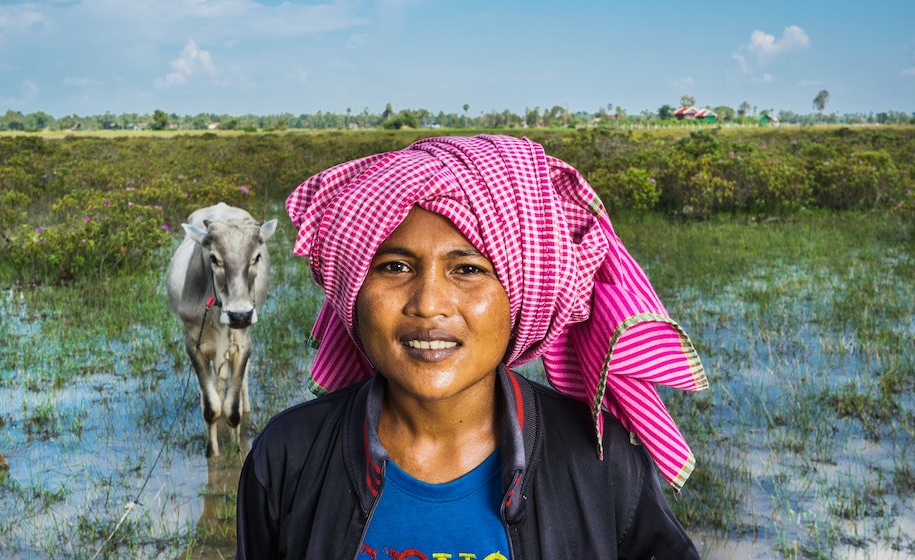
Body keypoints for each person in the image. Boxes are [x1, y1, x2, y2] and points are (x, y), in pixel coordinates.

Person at [235, 134, 708, 559]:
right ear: (354, 288)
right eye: (396, 267)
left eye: (468, 269)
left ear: (523, 295)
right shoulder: (288, 456)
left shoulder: (601, 463)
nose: (429, 305)